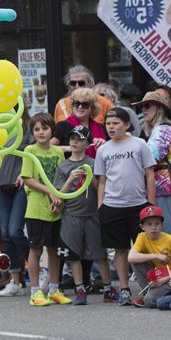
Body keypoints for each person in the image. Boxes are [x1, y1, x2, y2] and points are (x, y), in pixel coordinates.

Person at [95, 108, 157, 305]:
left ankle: (151, 287)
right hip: (112, 205)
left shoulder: (139, 144)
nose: (111, 127)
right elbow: (102, 180)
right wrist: (100, 206)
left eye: (115, 123)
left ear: (127, 124)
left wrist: (151, 205)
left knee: (145, 248)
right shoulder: (103, 149)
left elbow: (150, 174)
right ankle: (124, 288)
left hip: (139, 205)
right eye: (108, 124)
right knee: (120, 249)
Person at [54, 125, 111, 305]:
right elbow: (59, 195)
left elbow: (101, 188)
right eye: (72, 139)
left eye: (79, 139)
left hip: (92, 214)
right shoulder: (63, 166)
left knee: (99, 253)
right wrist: (71, 178)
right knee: (73, 255)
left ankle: (108, 288)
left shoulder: (94, 163)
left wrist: (91, 177)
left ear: (87, 143)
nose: (75, 142)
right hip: (71, 215)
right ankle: (79, 289)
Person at [20, 113, 71, 306]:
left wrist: (58, 199)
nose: (41, 132)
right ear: (32, 132)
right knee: (35, 250)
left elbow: (60, 178)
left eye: (45, 128)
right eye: (37, 129)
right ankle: (35, 292)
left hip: (55, 208)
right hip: (35, 209)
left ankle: (53, 289)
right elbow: (27, 178)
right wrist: (50, 192)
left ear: (52, 130)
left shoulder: (58, 152)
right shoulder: (29, 150)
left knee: (54, 250)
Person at [135, 89, 171, 237]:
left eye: (147, 105)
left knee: (168, 233)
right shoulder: (159, 130)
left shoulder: (163, 130)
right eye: (141, 107)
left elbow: (150, 159)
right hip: (161, 186)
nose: (143, 110)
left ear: (159, 108)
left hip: (163, 187)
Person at [0, 108, 33, 297]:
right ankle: (14, 280)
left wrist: (23, 174)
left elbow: (34, 154)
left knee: (15, 231)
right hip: (1, 186)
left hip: (20, 186)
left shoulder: (27, 127)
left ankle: (37, 272)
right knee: (6, 235)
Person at [128, 206, 171, 308]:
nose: (153, 227)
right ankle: (149, 292)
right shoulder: (142, 237)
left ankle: (170, 294)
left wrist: (163, 280)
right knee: (136, 260)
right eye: (149, 224)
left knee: (149, 301)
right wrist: (156, 256)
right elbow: (131, 257)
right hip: (156, 275)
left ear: (161, 225)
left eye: (157, 224)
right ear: (142, 226)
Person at [52, 87, 108, 158]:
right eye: (77, 103)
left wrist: (103, 145)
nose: (80, 107)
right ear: (73, 105)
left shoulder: (101, 127)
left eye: (85, 104)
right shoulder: (63, 126)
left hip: (96, 167)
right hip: (71, 167)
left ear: (92, 108)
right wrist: (69, 148)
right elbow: (48, 148)